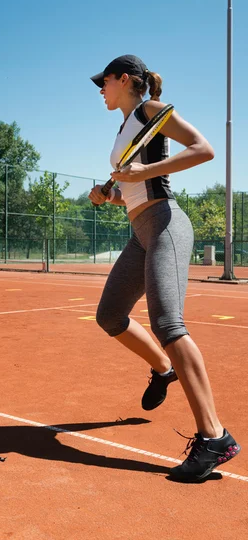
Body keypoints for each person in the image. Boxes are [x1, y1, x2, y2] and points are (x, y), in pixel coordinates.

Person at [88, 55, 240, 482]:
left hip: (167, 224)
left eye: (104, 82)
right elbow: (134, 190)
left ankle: (214, 437)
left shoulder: (150, 111)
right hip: (140, 229)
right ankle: (163, 369)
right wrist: (110, 198)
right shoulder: (124, 128)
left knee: (168, 323)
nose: (100, 89)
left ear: (124, 79)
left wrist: (146, 169)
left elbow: (204, 149)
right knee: (109, 316)